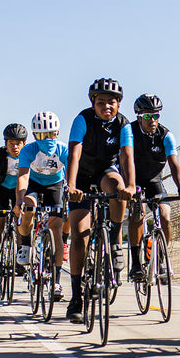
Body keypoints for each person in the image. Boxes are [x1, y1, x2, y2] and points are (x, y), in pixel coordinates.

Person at [64, 78, 136, 323]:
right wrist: (71, 185)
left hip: (106, 169)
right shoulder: (82, 119)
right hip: (81, 176)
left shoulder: (123, 124)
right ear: (93, 102)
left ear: (118, 104)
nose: (107, 106)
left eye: (112, 102)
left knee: (117, 187)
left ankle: (114, 239)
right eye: (101, 102)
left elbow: (127, 157)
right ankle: (76, 297)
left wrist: (131, 185)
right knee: (79, 235)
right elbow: (74, 153)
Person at [127, 94, 180, 283]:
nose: (153, 120)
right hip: (134, 179)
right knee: (138, 213)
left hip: (154, 179)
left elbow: (174, 165)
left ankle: (162, 257)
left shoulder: (165, 135)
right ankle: (136, 264)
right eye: (148, 116)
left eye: (156, 115)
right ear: (139, 116)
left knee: (165, 214)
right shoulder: (129, 132)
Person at [12, 111, 69, 301]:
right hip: (34, 184)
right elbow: (22, 176)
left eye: (51, 134)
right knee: (29, 205)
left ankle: (57, 280)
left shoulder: (63, 150)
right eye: (42, 135)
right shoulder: (29, 150)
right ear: (35, 136)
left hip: (55, 185)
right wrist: (20, 199)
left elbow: (70, 176)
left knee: (56, 228)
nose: (47, 139)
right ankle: (26, 245)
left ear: (57, 133)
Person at [0, 123, 27, 274]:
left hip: (19, 191)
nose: (15, 147)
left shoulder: (28, 155)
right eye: (11, 143)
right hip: (1, 190)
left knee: (20, 225)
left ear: (24, 144)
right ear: (5, 143)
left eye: (18, 144)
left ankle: (20, 260)